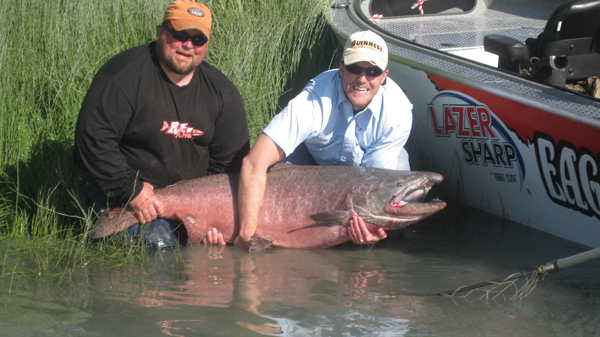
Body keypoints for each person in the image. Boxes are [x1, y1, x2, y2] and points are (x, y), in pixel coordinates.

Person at [74, 0, 250, 250]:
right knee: (159, 242)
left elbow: (228, 168)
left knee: (212, 251)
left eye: (198, 40)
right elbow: (91, 139)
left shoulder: (223, 94)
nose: (188, 45)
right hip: (119, 186)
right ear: (160, 32)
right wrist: (130, 190)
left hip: (188, 201)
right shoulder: (123, 76)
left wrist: (211, 217)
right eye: (179, 34)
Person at [233, 30, 413, 248]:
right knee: (268, 187)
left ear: (384, 76)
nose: (362, 79)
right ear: (341, 68)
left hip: (365, 172)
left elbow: (375, 186)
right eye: (355, 68)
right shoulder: (314, 98)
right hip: (310, 160)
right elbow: (254, 162)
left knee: (393, 228)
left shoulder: (399, 112)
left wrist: (373, 228)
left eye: (372, 71)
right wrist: (246, 235)